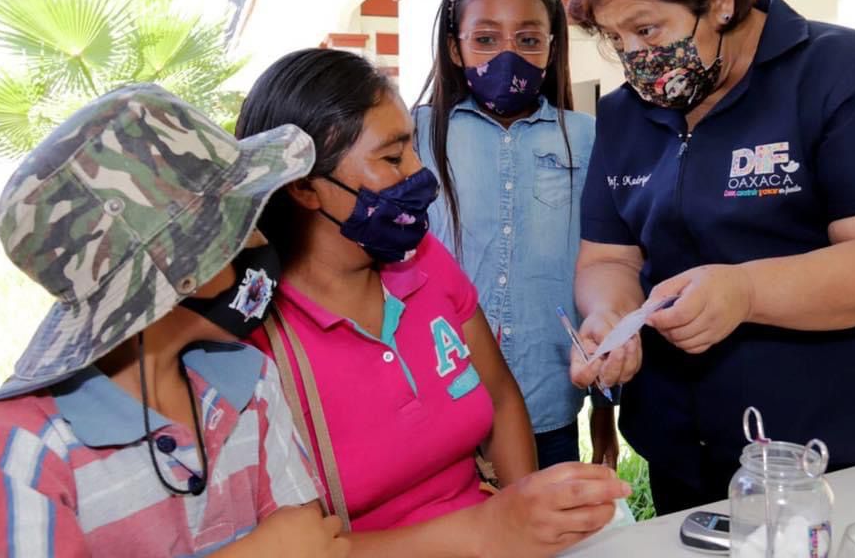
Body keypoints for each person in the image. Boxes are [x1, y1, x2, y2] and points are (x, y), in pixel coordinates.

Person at [566, 0, 855, 515]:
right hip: (684, 466)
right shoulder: (622, 116)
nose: (635, 57)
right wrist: (611, 319)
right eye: (616, 38)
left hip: (840, 462)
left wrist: (745, 292)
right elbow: (608, 256)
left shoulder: (847, 75)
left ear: (719, 0)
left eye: (647, 29)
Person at [237, 48, 630, 557]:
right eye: (393, 157)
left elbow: (502, 397)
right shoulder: (257, 340)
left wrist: (525, 513)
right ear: (305, 188)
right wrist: (490, 531)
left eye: (414, 149)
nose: (420, 173)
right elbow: (300, 549)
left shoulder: (422, 259)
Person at [0, 84, 349, 558]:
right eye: (237, 225)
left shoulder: (248, 382)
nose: (257, 238)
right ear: (187, 268)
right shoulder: (10, 450)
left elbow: (315, 540)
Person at [413, 0, 618, 469]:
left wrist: (604, 417)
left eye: (528, 39)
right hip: (440, 402)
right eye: (485, 39)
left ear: (552, 47)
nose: (508, 55)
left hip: (547, 406)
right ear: (455, 49)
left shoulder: (587, 139)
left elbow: (603, 265)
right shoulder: (415, 136)